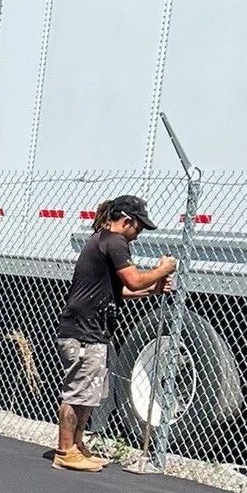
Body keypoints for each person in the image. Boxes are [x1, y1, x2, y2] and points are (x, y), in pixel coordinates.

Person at [51, 194, 177, 472]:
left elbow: (118, 290)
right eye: (139, 227)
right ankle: (64, 450)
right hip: (83, 331)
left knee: (89, 393)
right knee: (77, 393)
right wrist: (161, 270)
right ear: (126, 221)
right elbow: (132, 279)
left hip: (91, 330)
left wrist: (153, 289)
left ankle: (77, 446)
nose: (139, 234)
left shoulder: (101, 240)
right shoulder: (115, 241)